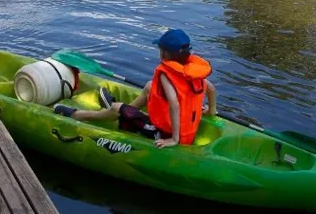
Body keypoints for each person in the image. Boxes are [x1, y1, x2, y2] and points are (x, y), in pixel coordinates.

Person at [54, 29, 216, 149]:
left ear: (165, 54)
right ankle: (127, 112)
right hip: (186, 130)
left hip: (165, 133)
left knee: (117, 108)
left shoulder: (166, 75)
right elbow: (211, 88)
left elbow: (174, 103)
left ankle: (79, 114)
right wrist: (211, 110)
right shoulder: (193, 74)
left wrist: (174, 139)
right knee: (150, 86)